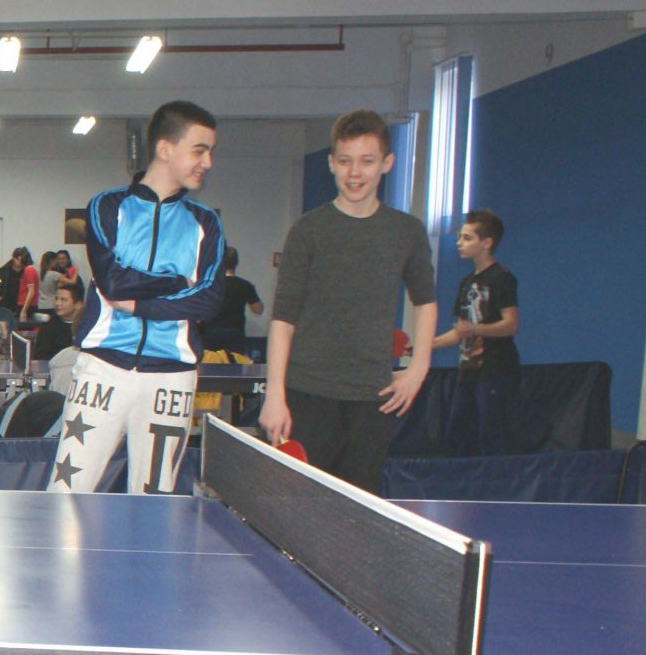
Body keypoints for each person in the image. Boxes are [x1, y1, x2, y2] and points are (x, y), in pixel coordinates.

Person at [50, 100, 226, 496]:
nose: (208, 162)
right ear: (166, 149)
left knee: (154, 501)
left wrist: (142, 304)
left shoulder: (205, 222)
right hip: (103, 370)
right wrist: (177, 280)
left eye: (211, 152)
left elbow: (209, 301)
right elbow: (113, 282)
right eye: (199, 150)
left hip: (172, 377)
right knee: (66, 492)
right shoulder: (107, 206)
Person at [262, 109, 437, 493]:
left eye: (366, 161)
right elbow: (283, 317)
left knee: (356, 510)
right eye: (345, 161)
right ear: (331, 163)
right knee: (299, 505)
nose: (354, 172)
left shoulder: (406, 232)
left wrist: (419, 368)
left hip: (373, 398)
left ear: (387, 163)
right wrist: (275, 394)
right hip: (307, 394)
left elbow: (425, 301)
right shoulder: (307, 230)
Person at [434, 208, 519, 456]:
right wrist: (427, 345)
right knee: (458, 435)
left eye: (467, 238)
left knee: (491, 437)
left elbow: (511, 324)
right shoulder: (466, 282)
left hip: (495, 371)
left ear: (486, 243)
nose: (459, 243)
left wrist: (475, 328)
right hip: (468, 370)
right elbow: (460, 331)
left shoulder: (501, 278)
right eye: (460, 237)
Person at [197, 246, 263, 356]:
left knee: (210, 364)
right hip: (234, 333)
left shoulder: (209, 285)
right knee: (234, 364)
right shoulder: (245, 285)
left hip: (210, 332)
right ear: (236, 262)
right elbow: (258, 310)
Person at [32, 280, 82, 361]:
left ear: (78, 304)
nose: (58, 303)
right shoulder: (48, 325)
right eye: (56, 299)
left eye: (63, 300)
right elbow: (40, 356)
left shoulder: (86, 327)